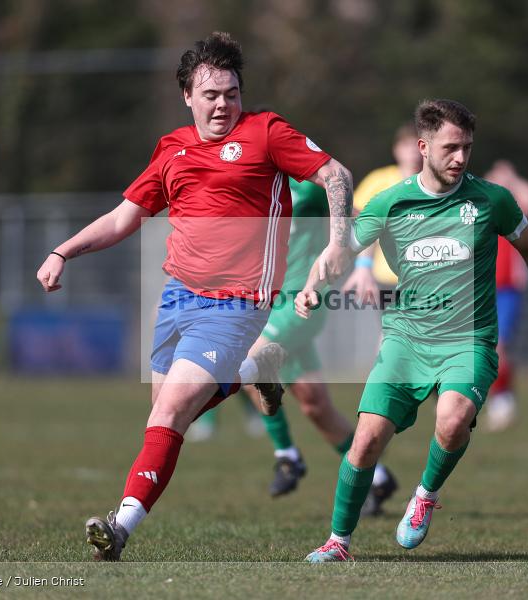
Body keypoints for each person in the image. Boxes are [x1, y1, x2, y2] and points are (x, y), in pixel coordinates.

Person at [35, 32, 354, 562]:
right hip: (177, 299)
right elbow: (124, 218)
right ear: (188, 95)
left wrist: (340, 241)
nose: (223, 104)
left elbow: (335, 174)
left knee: (174, 409)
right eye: (211, 94)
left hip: (238, 302)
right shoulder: (171, 148)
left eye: (231, 93)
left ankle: (119, 528)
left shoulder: (267, 132)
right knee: (165, 415)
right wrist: (62, 251)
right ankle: (255, 372)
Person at [296, 99, 528, 562]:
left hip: (469, 340)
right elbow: (339, 250)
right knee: (365, 442)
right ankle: (338, 542)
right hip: (405, 341)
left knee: (454, 418)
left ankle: (424, 494)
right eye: (451, 147)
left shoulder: (491, 200)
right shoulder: (391, 201)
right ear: (423, 147)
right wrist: (310, 287)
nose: (461, 158)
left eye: (467, 148)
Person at [238, 177, 397, 513]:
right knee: (315, 406)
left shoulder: (306, 187)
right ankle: (378, 477)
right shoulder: (247, 185)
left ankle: (287, 457)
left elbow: (364, 217)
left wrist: (365, 264)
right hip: (268, 306)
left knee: (248, 363)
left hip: (303, 301)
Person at [482, 160, 528, 432]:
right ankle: (491, 398)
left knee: (499, 347)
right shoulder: (480, 207)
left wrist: (513, 179)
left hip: (507, 290)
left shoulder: (513, 209)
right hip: (478, 288)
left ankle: (502, 400)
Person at [343, 123, 422, 305]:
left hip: (426, 277)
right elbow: (359, 220)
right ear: (396, 149)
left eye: (417, 145)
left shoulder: (436, 185)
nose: (413, 151)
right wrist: (363, 265)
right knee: (392, 329)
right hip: (386, 275)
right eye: (407, 145)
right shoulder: (379, 180)